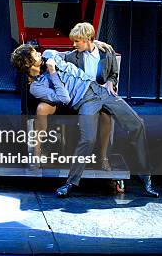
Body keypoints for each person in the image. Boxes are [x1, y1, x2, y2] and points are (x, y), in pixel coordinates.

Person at [10, 44, 158, 198]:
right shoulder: (37, 86)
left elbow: (74, 51)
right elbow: (64, 98)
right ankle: (70, 182)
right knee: (88, 139)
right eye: (34, 54)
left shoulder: (50, 54)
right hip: (85, 101)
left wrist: (94, 42)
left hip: (99, 90)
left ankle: (146, 177)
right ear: (28, 64)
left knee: (137, 124)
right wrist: (53, 72)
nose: (39, 54)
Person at [33, 22, 118, 170]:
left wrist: (110, 82)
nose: (73, 45)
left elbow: (113, 74)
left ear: (88, 39)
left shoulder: (106, 53)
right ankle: (37, 152)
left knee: (106, 115)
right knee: (42, 108)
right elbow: (53, 54)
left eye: (77, 41)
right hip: (71, 96)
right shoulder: (73, 56)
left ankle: (103, 156)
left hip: (96, 96)